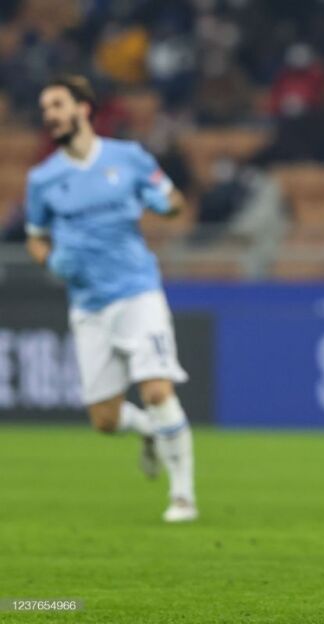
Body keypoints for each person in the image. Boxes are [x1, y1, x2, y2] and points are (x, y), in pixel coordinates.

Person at [24, 75, 197, 523]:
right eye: (45, 109)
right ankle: (149, 432)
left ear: (83, 108)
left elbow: (174, 200)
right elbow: (36, 237)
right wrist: (51, 261)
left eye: (57, 105)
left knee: (157, 389)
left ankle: (182, 496)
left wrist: (165, 202)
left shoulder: (128, 157)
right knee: (105, 420)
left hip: (138, 290)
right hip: (88, 304)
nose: (49, 116)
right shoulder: (43, 179)